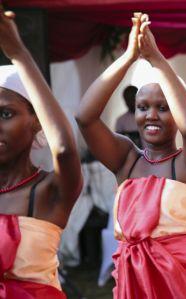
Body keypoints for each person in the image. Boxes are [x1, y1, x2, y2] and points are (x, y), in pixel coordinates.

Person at [75, 13, 186, 298]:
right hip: (136, 281)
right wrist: (129, 57)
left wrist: (157, 59)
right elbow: (85, 118)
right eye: (143, 107)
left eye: (163, 107)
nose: (151, 115)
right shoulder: (127, 160)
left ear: (177, 111)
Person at [0, 5, 83, 298]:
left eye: (6, 115)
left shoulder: (49, 190)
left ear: (36, 121)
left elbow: (64, 148)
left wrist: (19, 54)